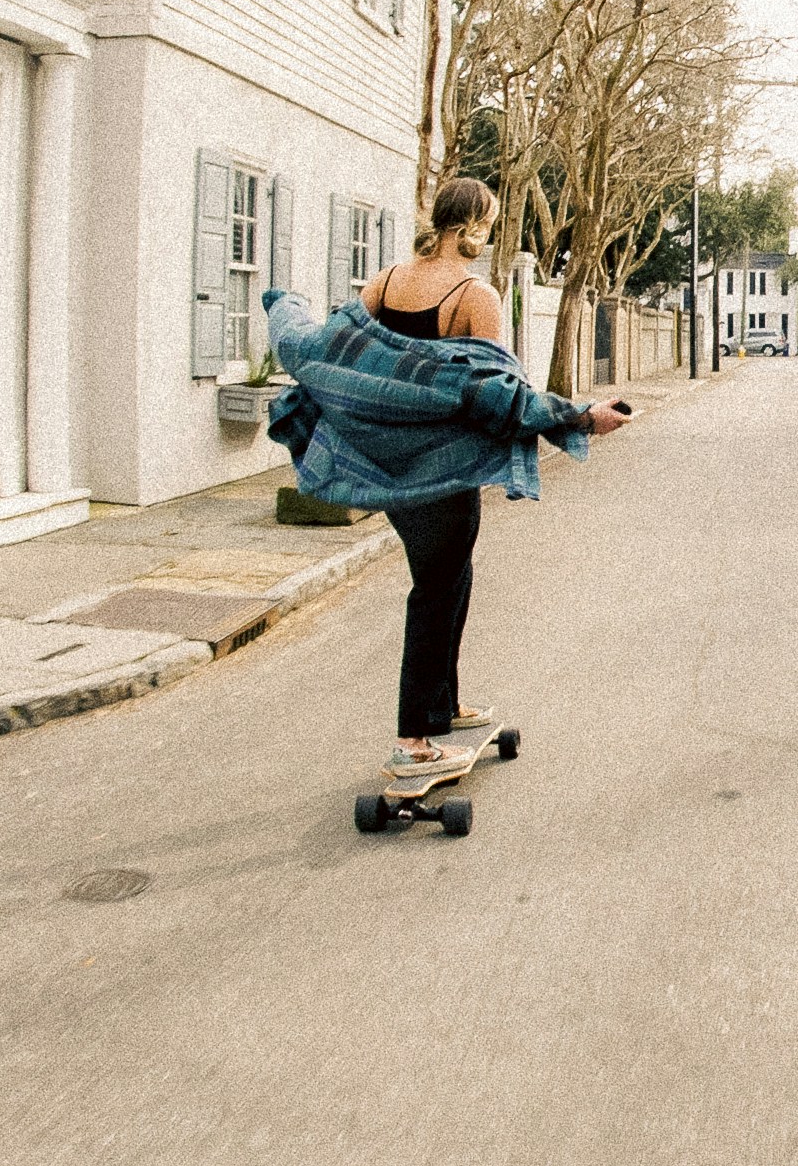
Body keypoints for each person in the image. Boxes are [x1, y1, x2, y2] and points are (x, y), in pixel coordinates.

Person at [263, 177, 627, 791]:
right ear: (473, 228)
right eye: (486, 224)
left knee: (448, 577)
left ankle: (444, 705)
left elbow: (355, 357)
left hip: (391, 468)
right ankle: (413, 736)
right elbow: (494, 395)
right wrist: (581, 417)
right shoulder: (474, 295)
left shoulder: (385, 283)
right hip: (444, 468)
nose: (487, 235)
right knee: (436, 589)